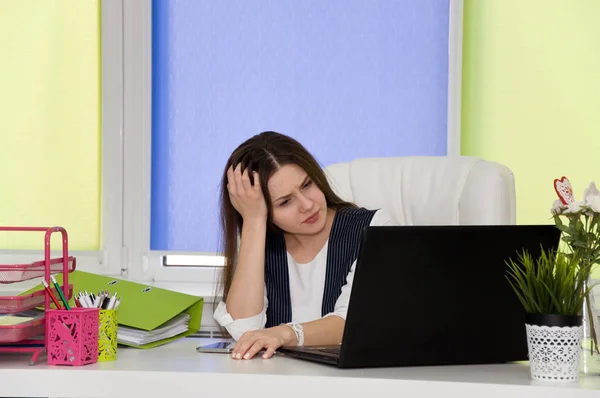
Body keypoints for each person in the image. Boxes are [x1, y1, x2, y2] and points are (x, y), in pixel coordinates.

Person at [213, 131, 393, 360]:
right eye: (285, 202)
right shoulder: (257, 240)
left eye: (307, 185)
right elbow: (244, 332)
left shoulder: (373, 228)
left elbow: (356, 322)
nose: (307, 205)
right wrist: (254, 222)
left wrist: (285, 334)